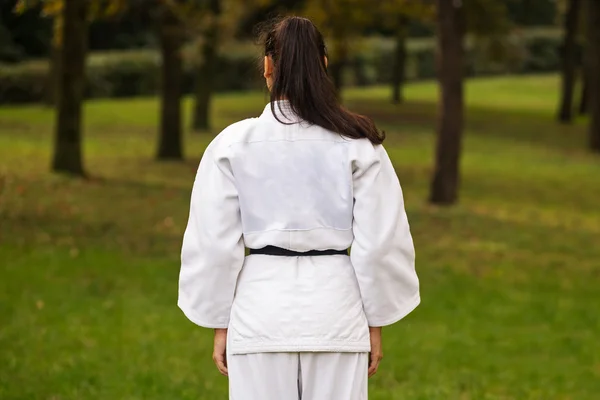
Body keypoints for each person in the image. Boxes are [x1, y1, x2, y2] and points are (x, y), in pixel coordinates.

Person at [178, 16, 420, 400]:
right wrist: (375, 319)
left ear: (267, 67)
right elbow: (380, 243)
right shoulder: (359, 143)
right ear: (322, 65)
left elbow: (213, 244)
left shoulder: (231, 145)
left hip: (259, 316)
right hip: (337, 315)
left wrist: (219, 321)